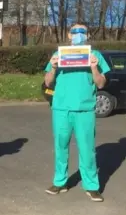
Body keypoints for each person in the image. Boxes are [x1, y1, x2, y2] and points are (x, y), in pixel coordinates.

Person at [43, 23, 110, 202]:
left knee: (87, 150)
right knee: (60, 147)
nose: (78, 34)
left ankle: (91, 186)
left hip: (85, 110)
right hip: (61, 109)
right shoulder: (58, 55)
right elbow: (48, 82)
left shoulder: (95, 56)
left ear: (87, 35)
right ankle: (60, 182)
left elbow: (101, 83)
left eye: (82, 31)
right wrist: (54, 67)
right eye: (74, 31)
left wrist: (94, 68)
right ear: (68, 35)